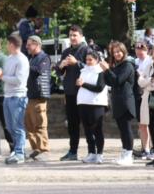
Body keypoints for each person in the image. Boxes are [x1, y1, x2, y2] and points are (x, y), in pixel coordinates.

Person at [55, 25, 88, 161]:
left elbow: (93, 68)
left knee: (87, 123)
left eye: (75, 35)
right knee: (72, 124)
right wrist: (61, 66)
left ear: (80, 36)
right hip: (69, 93)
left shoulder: (87, 50)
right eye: (70, 35)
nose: (72, 38)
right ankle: (72, 151)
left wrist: (77, 63)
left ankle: (94, 152)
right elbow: (58, 72)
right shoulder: (66, 51)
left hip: (84, 92)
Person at [102, 41, 137, 165]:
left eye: (119, 51)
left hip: (126, 101)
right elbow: (109, 82)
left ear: (124, 51)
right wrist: (106, 70)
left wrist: (107, 70)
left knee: (126, 129)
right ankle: (124, 152)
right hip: (117, 101)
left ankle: (129, 154)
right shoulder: (116, 66)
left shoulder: (127, 65)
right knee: (122, 129)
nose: (117, 54)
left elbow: (117, 80)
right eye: (114, 52)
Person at [74, 48, 108, 163]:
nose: (88, 62)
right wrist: (79, 84)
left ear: (97, 60)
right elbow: (80, 84)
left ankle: (100, 153)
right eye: (87, 60)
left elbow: (99, 88)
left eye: (91, 60)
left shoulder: (100, 72)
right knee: (87, 130)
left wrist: (83, 84)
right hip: (83, 102)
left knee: (97, 129)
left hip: (96, 103)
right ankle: (91, 152)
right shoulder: (83, 70)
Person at [1, 34, 30, 165]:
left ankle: (19, 153)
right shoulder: (9, 58)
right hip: (7, 96)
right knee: (9, 126)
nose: (6, 46)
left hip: (18, 96)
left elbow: (19, 80)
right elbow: (6, 75)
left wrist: (1, 76)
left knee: (17, 127)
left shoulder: (22, 60)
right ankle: (18, 151)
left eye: (7, 44)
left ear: (12, 45)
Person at [24, 35, 52, 161]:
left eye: (29, 44)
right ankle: (36, 149)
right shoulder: (32, 58)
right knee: (29, 125)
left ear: (37, 44)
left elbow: (40, 70)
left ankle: (44, 150)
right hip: (30, 96)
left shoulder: (44, 57)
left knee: (40, 124)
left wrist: (26, 66)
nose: (27, 47)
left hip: (39, 96)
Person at [133, 41, 153, 160]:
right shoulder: (134, 62)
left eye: (143, 49)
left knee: (151, 123)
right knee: (142, 123)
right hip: (137, 94)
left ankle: (153, 148)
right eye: (137, 49)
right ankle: (145, 148)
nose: (140, 51)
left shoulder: (151, 61)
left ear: (147, 50)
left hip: (149, 93)